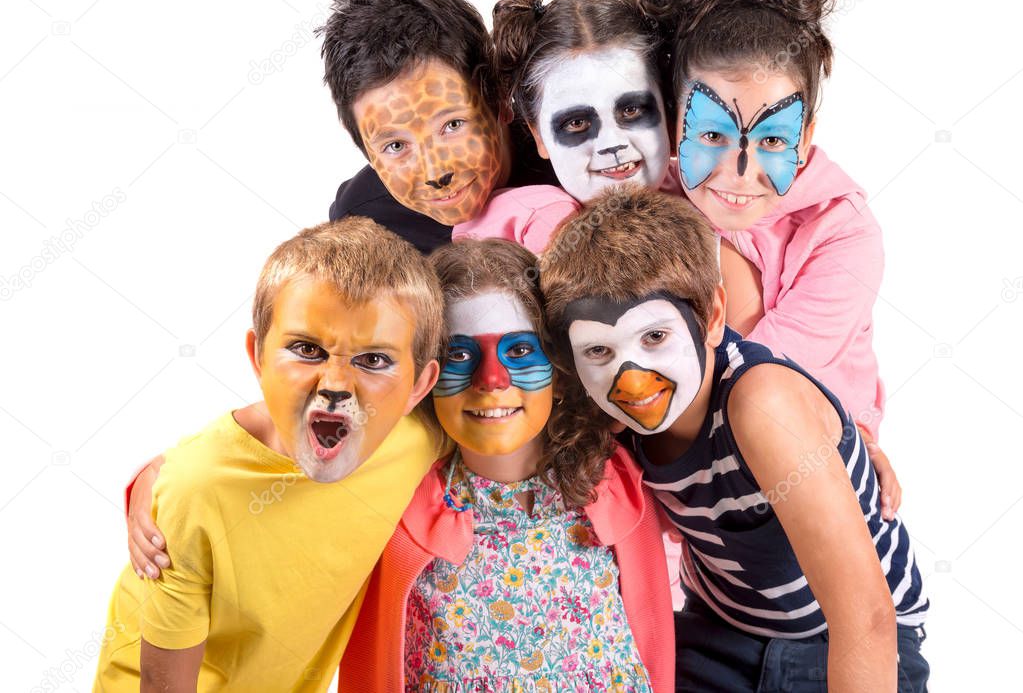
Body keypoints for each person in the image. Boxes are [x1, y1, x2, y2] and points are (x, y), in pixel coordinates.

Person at [540, 187, 928, 692]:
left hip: (844, 643)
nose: (631, 379)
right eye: (598, 350)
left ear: (713, 317)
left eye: (655, 337)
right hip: (720, 633)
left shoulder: (761, 404)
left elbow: (866, 618)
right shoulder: (615, 417)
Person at [93, 218, 443, 692]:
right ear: (257, 357)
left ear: (420, 386)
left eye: (374, 360)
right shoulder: (197, 489)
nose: (336, 386)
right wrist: (164, 480)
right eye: (307, 349)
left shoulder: (416, 439)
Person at [340, 238, 673, 691]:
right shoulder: (397, 504)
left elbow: (653, 650)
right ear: (426, 377)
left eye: (518, 352)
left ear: (558, 372)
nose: (492, 381)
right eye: (459, 354)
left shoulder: (614, 484)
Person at [643, 0, 888, 444]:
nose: (739, 171)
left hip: (811, 455)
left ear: (805, 138)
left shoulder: (844, 232)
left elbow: (763, 379)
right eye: (712, 134)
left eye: (773, 140)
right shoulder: (652, 195)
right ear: (674, 123)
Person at [319, 0, 557, 254]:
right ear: (364, 146)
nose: (436, 173)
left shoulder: (569, 159)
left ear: (499, 97)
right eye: (395, 146)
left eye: (452, 125)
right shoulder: (367, 226)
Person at [452, 0, 676, 252]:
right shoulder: (518, 230)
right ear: (539, 137)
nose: (611, 144)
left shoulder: (711, 191)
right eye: (576, 123)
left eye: (631, 110)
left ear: (666, 107)